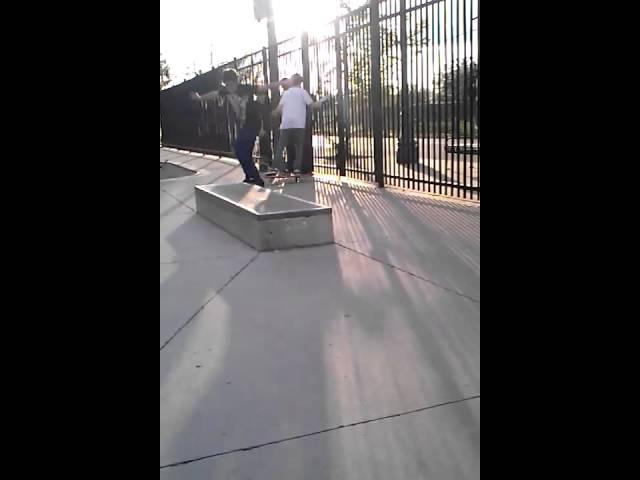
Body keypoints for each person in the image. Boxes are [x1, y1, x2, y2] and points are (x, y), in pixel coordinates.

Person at [190, 69, 265, 186]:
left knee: (239, 147)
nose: (230, 88)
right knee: (245, 152)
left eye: (232, 84)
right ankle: (249, 176)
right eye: (227, 85)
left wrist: (280, 84)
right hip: (243, 124)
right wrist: (200, 98)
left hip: (253, 123)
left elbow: (264, 88)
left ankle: (256, 178)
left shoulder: (246, 88)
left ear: (236, 81)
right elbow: (214, 94)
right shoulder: (225, 91)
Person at [271, 74, 326, 175]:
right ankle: (296, 168)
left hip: (286, 124)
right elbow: (312, 105)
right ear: (300, 82)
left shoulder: (286, 93)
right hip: (299, 124)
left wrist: (274, 112)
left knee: (281, 146)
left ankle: (275, 166)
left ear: (292, 82)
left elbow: (279, 109)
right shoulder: (303, 93)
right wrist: (319, 103)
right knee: (299, 147)